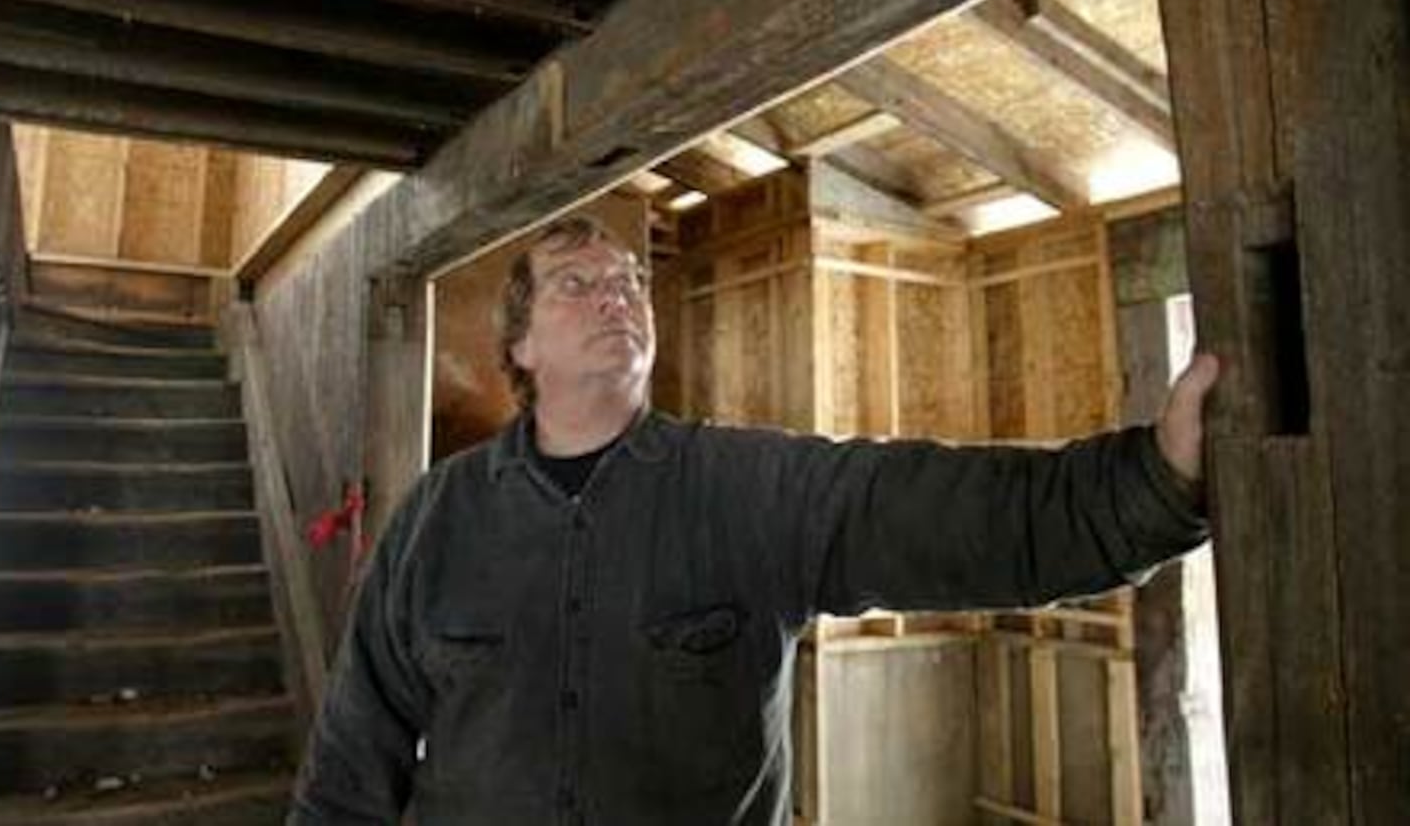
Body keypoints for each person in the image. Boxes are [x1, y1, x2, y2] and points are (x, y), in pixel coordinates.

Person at [291, 214, 1218, 826]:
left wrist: (1154, 480)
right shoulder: (439, 517)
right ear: (520, 345)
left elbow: (942, 514)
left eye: (630, 282)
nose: (617, 294)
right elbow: (354, 751)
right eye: (578, 282)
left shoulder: (745, 488)